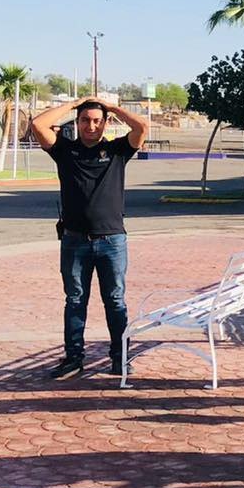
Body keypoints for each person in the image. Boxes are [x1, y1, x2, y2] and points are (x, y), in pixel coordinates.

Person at [30, 97, 150, 379]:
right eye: (85, 120)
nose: (91, 126)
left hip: (112, 241)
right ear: (77, 122)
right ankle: (73, 359)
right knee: (74, 300)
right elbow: (38, 124)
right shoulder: (65, 150)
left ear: (106, 123)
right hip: (74, 241)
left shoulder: (118, 151)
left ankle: (120, 359)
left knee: (115, 301)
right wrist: (75, 104)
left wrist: (112, 108)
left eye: (97, 121)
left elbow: (142, 127)